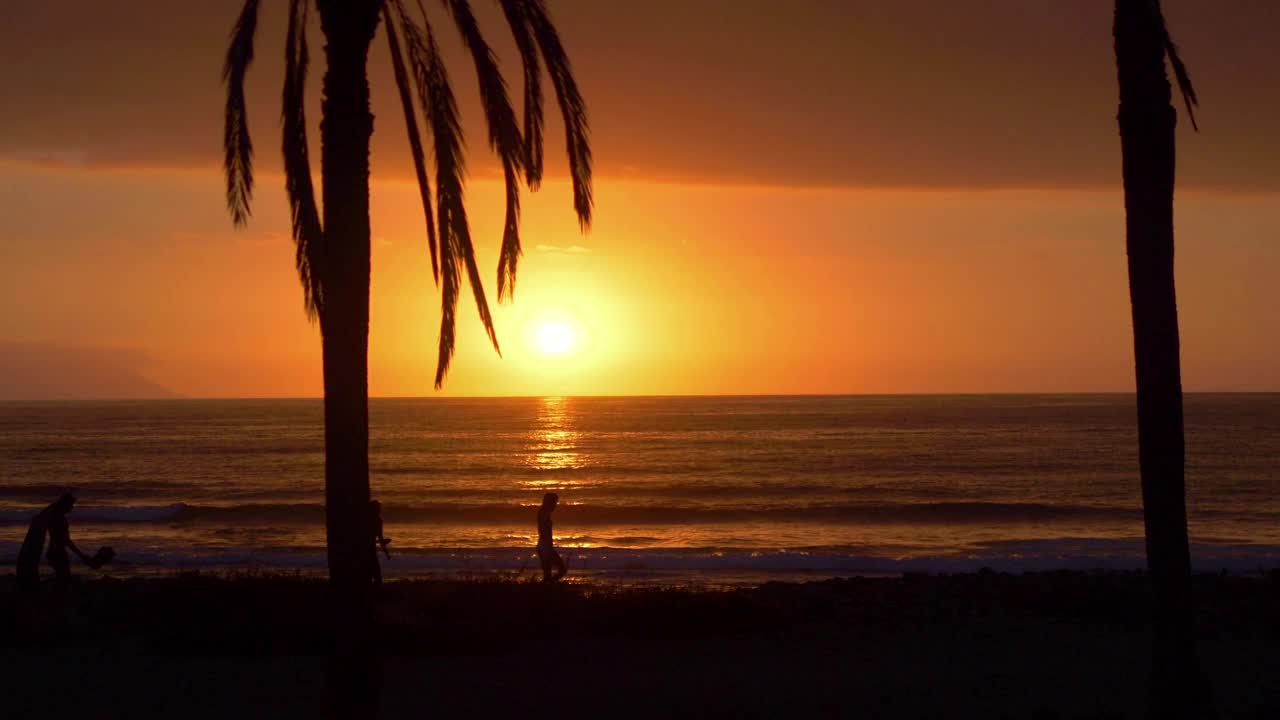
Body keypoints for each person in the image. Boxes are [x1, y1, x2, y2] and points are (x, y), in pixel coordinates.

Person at [16, 493, 100, 591]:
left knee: (62, 578)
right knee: (64, 579)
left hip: (53, 553)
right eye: (71, 505)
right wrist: (81, 555)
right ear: (65, 505)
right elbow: (66, 540)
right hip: (57, 553)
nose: (72, 508)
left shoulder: (54, 516)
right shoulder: (59, 519)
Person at [536, 492, 567, 582]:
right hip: (545, 547)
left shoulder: (544, 513)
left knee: (548, 573)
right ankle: (548, 586)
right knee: (561, 569)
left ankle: (548, 585)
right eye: (554, 502)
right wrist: (548, 546)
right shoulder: (544, 513)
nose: (555, 505)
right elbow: (543, 531)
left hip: (543, 546)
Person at [369, 500, 391, 586]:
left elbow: (377, 539)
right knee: (376, 573)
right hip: (370, 550)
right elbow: (379, 538)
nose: (379, 510)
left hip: (364, 548)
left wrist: (386, 552)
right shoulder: (378, 521)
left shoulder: (364, 519)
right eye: (378, 508)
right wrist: (386, 552)